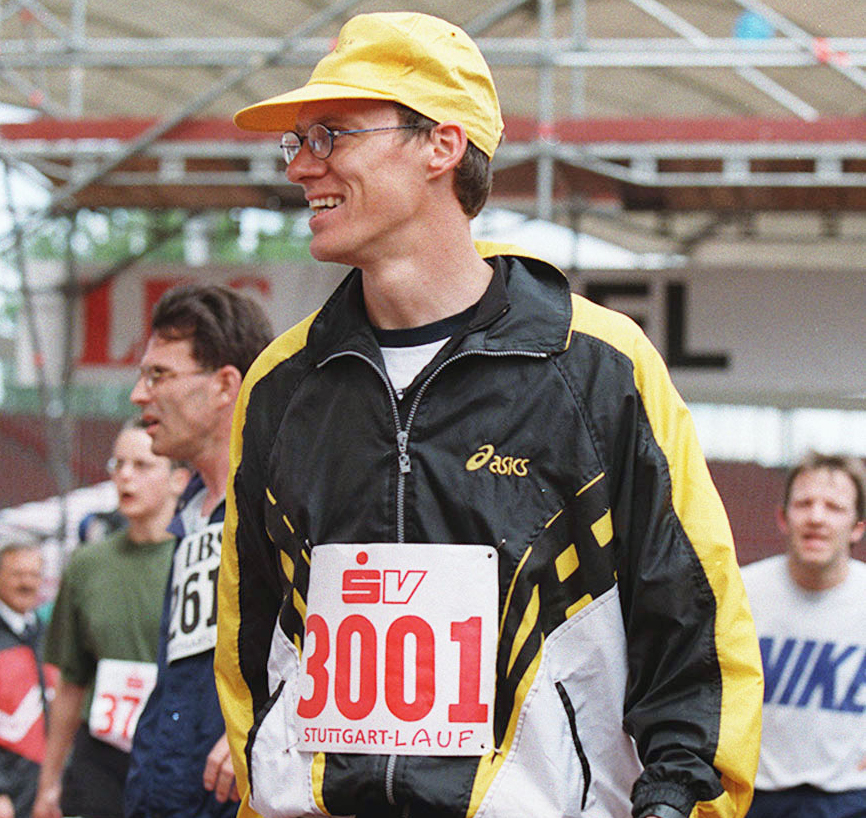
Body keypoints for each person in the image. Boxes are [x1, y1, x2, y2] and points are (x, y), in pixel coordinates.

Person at [216, 11, 763, 818]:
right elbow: (249, 644)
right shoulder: (281, 385)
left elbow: (693, 629)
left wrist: (679, 805)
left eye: (330, 134)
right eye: (297, 142)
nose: (301, 166)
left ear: (441, 145)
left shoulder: (597, 367)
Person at [124, 283, 273, 818]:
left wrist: (268, 727)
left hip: (241, 790)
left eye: (158, 375)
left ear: (225, 384)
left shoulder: (284, 500)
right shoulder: (190, 511)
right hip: (166, 784)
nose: (139, 395)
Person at [32, 423, 188, 818]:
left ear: (179, 480)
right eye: (118, 464)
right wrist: (49, 784)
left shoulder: (199, 560)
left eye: (142, 465)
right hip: (100, 754)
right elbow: (72, 680)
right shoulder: (87, 564)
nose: (125, 476)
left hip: (177, 750)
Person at [741, 452, 866, 818]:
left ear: (858, 526)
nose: (816, 518)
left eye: (834, 507)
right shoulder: (740, 593)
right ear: (783, 517)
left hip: (851, 798)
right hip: (755, 796)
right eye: (804, 504)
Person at [0, 535, 56, 818]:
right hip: (7, 795)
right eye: (18, 574)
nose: (27, 583)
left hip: (44, 791)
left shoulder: (47, 636)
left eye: (34, 575)